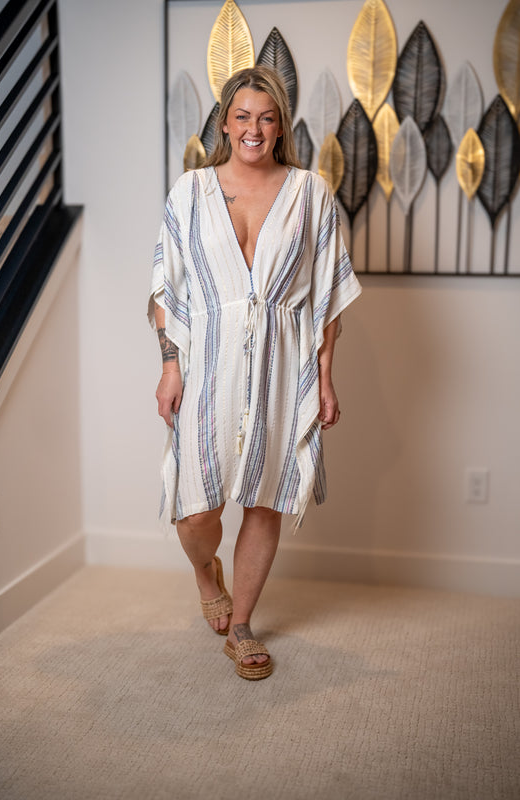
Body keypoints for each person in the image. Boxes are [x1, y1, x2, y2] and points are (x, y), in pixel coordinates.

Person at [148, 66, 361, 680]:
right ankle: (202, 570)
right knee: (195, 512)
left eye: (267, 117)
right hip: (207, 361)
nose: (254, 129)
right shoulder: (190, 191)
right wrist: (169, 366)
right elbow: (168, 288)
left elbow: (324, 301)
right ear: (224, 122)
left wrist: (323, 376)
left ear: (280, 126)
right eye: (242, 116)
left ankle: (240, 626)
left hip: (283, 363)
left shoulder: (310, 192)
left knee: (264, 501)